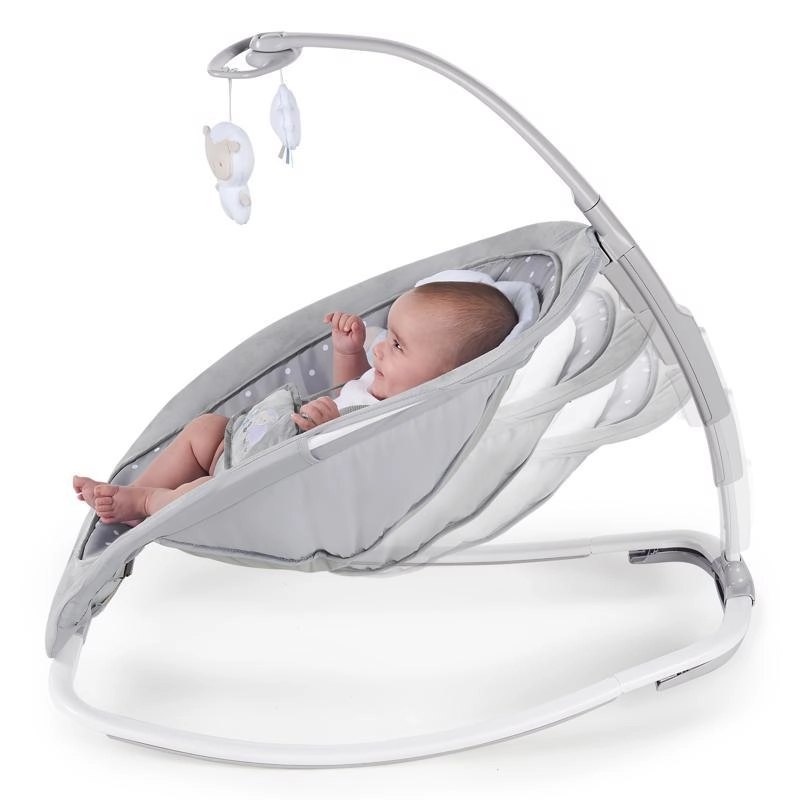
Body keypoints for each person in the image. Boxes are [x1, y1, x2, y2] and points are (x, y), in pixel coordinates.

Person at [73, 280, 518, 525]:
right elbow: (345, 392)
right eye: (389, 336)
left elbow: (352, 474)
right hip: (248, 443)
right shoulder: (380, 382)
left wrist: (326, 432)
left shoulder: (403, 421)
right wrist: (347, 352)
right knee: (204, 429)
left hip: (260, 487)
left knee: (201, 494)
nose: (381, 347)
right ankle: (135, 491)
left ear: (445, 377)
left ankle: (145, 505)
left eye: (398, 345)